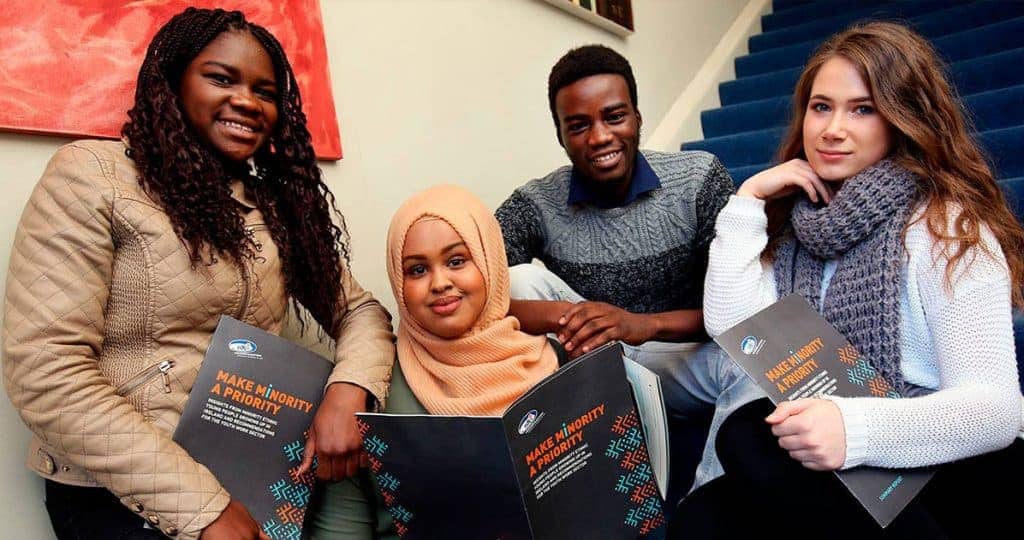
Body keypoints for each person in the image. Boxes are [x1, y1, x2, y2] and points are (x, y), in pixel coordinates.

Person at [2, 8, 394, 540]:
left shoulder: (275, 207)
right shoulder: (92, 176)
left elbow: (360, 310)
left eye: (265, 92)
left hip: (250, 478)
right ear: (172, 83)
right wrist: (201, 506)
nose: (247, 102)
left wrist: (350, 388)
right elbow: (47, 372)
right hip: (122, 495)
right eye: (221, 78)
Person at [675, 21, 1024, 538]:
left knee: (749, 438)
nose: (832, 129)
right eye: (821, 107)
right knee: (704, 509)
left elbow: (995, 411)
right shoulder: (794, 227)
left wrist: (852, 428)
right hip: (837, 467)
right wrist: (748, 201)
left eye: (862, 109)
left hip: (942, 459)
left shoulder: (946, 227)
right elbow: (736, 331)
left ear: (902, 118)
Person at [305, 184, 567, 538]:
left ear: (489, 261)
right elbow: (340, 529)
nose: (440, 283)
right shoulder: (373, 391)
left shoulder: (557, 367)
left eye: (456, 261)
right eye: (417, 270)